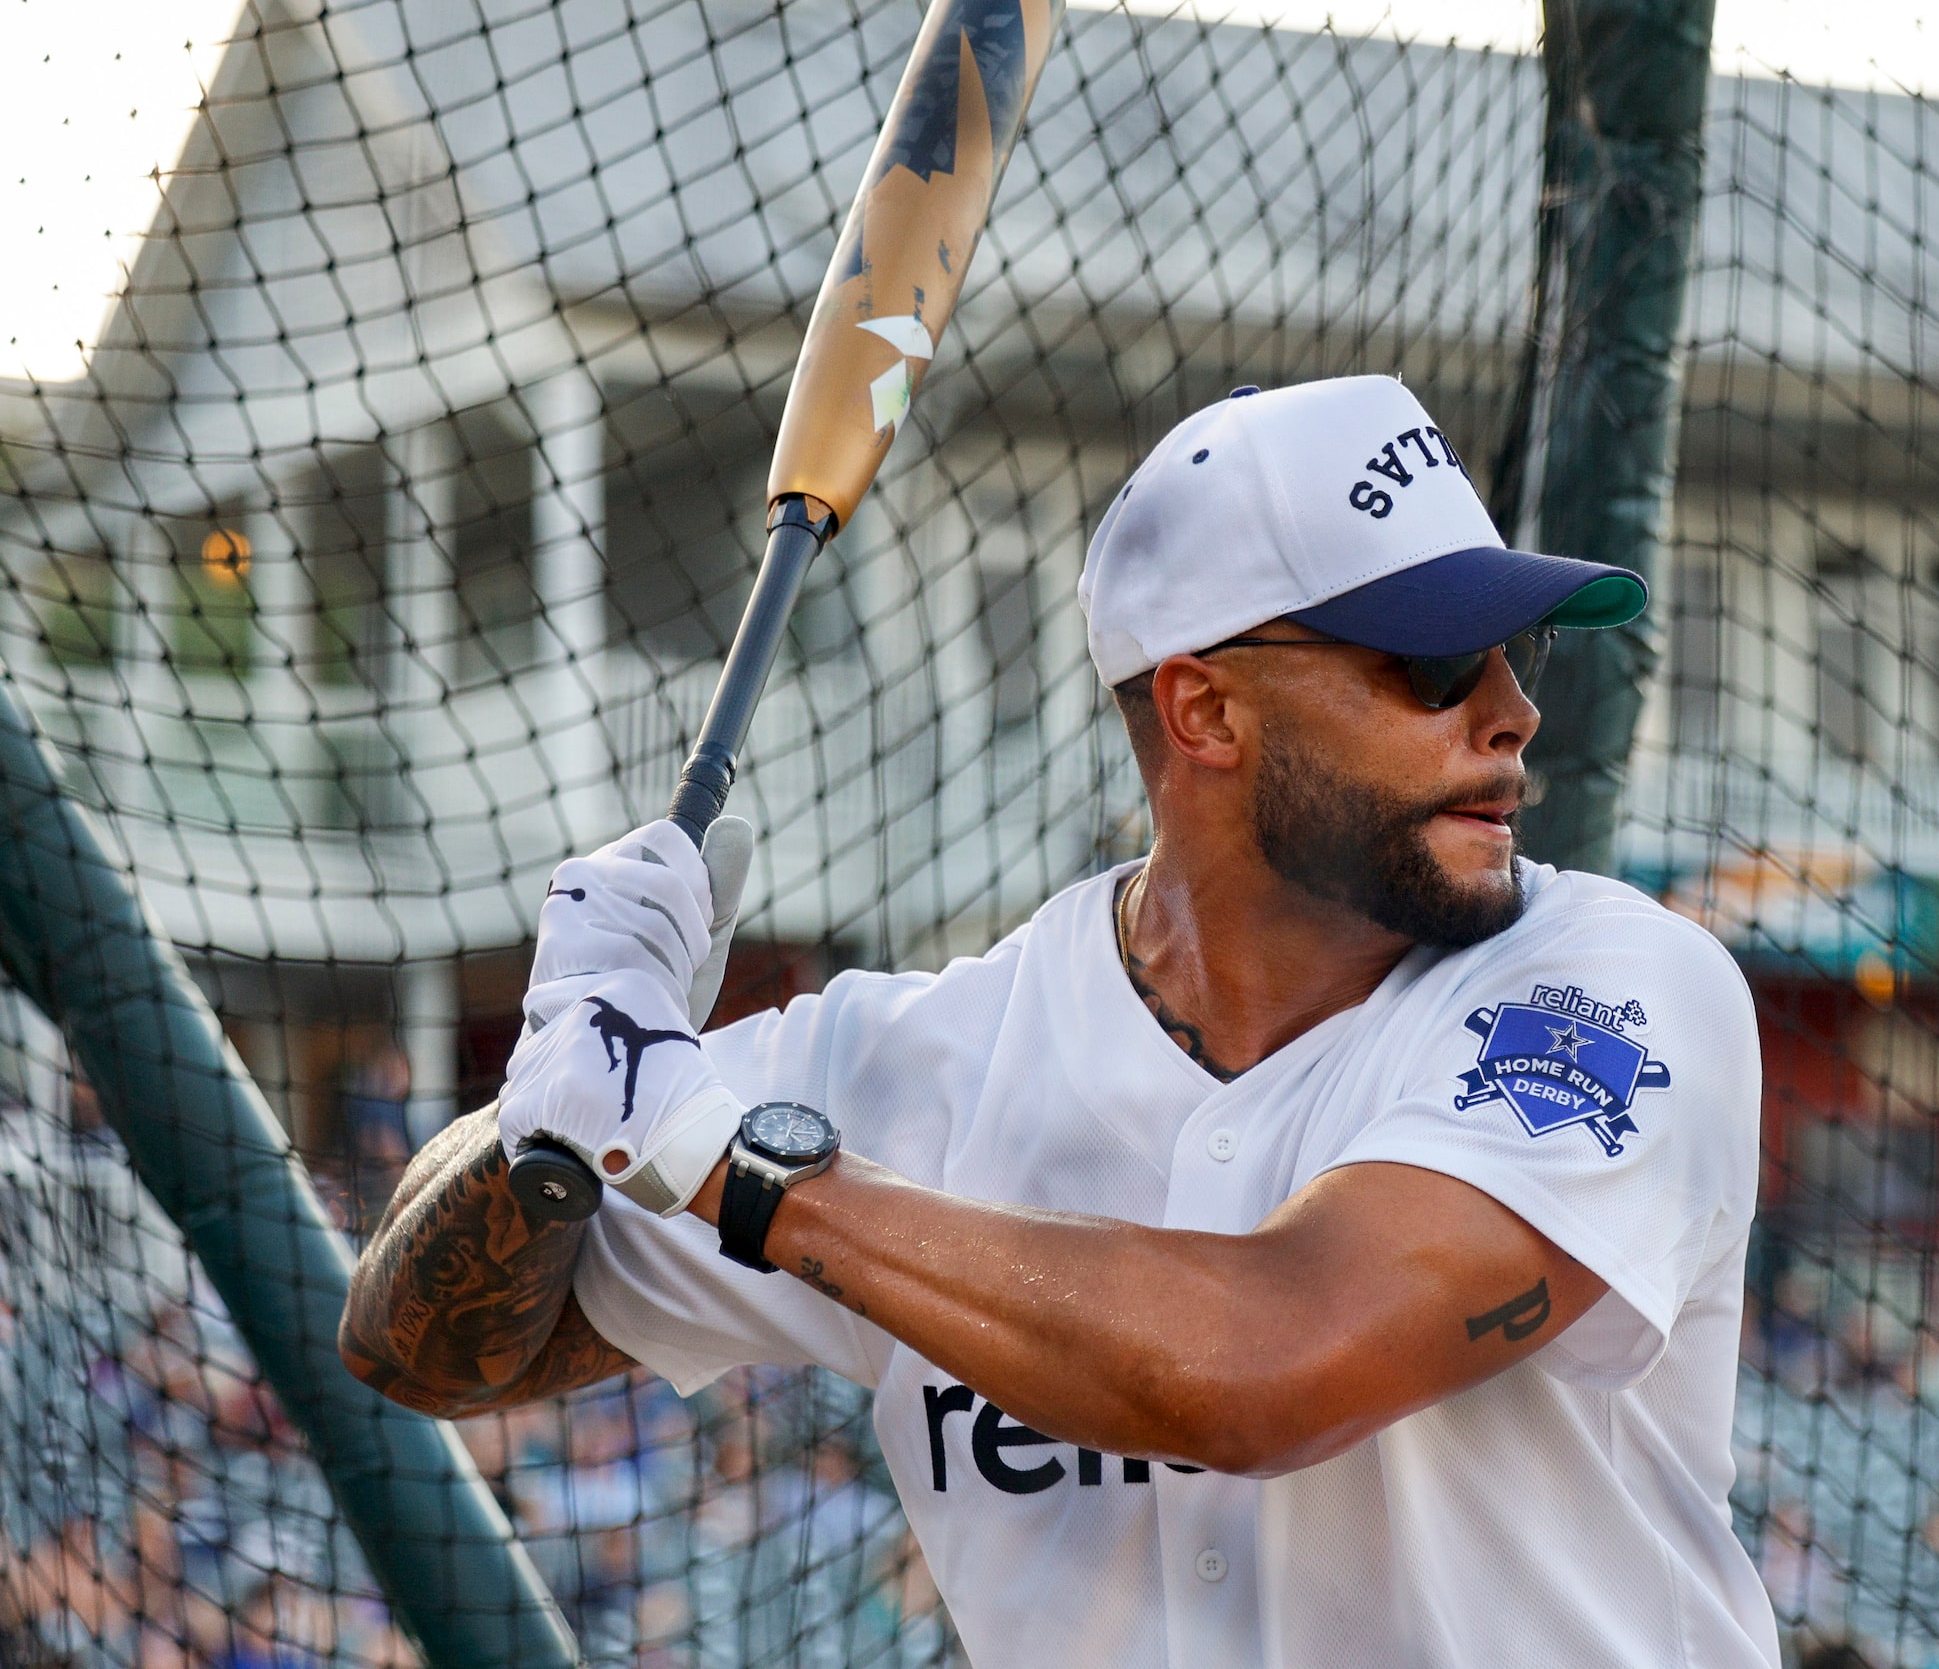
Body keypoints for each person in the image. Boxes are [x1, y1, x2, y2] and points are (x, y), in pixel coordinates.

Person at [341, 377, 1773, 1666]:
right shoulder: (906, 1061)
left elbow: (1264, 1365)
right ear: (1205, 710)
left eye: (1514, 653)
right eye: (1439, 664)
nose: (1514, 713)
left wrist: (726, 1155)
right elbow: (425, 1348)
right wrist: (553, 1089)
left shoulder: (1609, 989)